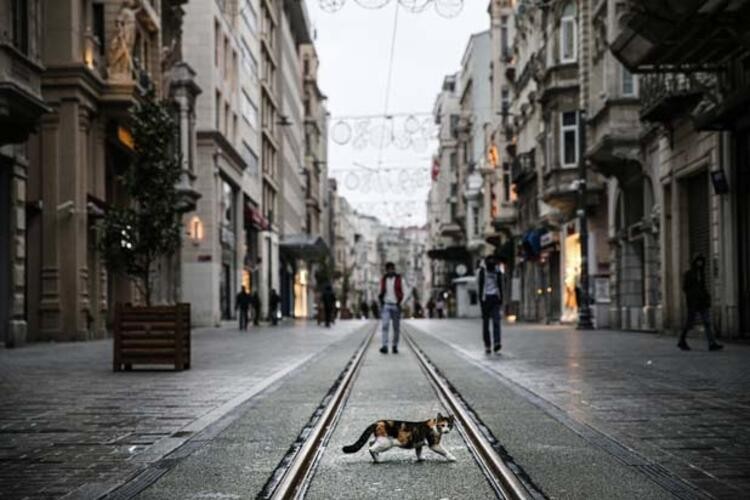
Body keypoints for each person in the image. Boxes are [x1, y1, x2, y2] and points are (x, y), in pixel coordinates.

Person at [678, 254, 723, 351]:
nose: (700, 263)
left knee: (707, 322)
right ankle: (682, 341)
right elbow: (685, 288)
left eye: (701, 261)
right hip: (693, 302)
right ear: (695, 262)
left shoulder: (702, 274)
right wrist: (693, 296)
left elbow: (703, 287)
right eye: (698, 261)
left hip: (702, 302)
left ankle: (712, 343)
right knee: (689, 323)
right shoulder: (689, 273)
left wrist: (706, 296)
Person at [378, 262, 410, 354]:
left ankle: (395, 345)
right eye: (389, 269)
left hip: (396, 305)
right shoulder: (383, 280)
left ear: (394, 269)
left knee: (396, 327)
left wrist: (401, 303)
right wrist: (381, 302)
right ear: (386, 270)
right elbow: (380, 291)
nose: (391, 271)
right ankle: (384, 346)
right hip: (386, 305)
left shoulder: (400, 279)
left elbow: (405, 291)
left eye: (392, 269)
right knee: (385, 325)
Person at [478, 255, 504, 354]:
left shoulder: (497, 271)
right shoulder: (482, 271)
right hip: (485, 299)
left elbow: (500, 285)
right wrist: (481, 300)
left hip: (495, 298)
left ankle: (497, 342)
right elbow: (479, 285)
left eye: (494, 261)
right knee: (485, 324)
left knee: (496, 322)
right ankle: (487, 345)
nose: (492, 262)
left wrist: (501, 297)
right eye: (490, 261)